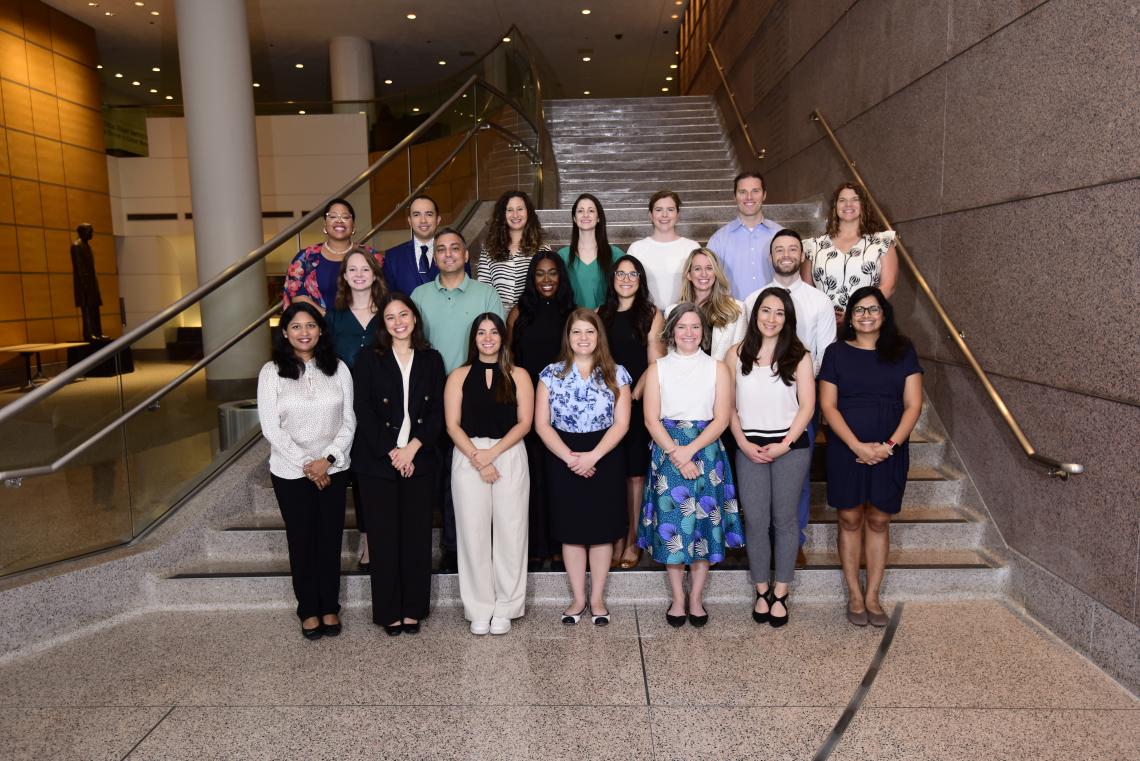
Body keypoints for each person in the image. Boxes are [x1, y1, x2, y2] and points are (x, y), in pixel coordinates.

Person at [818, 286, 923, 628]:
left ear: (884, 314)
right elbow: (828, 407)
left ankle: (874, 595)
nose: (866, 315)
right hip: (846, 449)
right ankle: (853, 593)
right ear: (849, 316)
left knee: (879, 519)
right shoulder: (836, 353)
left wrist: (888, 445)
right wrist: (857, 447)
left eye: (873, 309)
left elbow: (913, 405)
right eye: (859, 310)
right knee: (849, 518)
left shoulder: (903, 351)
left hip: (890, 449)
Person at [638, 303, 743, 627]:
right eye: (682, 326)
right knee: (674, 525)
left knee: (703, 527)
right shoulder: (658, 368)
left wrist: (690, 450)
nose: (688, 333)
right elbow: (650, 418)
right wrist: (675, 452)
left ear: (703, 332)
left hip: (706, 452)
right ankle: (678, 598)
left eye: (695, 327)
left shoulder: (718, 368)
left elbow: (722, 417)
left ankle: (696, 598)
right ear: (671, 331)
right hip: (668, 453)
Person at [256, 302, 356, 640]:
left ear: (320, 330)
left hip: (333, 467)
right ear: (285, 332)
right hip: (290, 472)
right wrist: (307, 464)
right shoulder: (271, 372)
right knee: (302, 541)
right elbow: (271, 427)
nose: (304, 332)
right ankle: (308, 609)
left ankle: (329, 606)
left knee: (329, 540)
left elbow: (349, 420)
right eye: (296, 326)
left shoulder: (338, 368)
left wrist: (326, 460)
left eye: (310, 325)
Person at [412, 228, 505, 572]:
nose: (448, 254)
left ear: (467, 256)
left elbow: (499, 340)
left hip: (477, 396)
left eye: (455, 248)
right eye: (441, 250)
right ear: (434, 257)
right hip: (432, 397)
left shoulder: (485, 292)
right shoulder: (420, 295)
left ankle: (474, 545)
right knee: (443, 476)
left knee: (471, 471)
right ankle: (450, 547)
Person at [352, 293, 445, 636]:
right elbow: (363, 410)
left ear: (414, 318)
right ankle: (389, 611)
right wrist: (393, 451)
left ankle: (413, 610)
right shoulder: (367, 359)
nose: (398, 322)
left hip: (419, 461)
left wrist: (413, 449)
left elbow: (437, 412)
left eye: (403, 314)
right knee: (384, 538)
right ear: (383, 324)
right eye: (390, 317)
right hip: (377, 462)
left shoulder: (431, 359)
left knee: (417, 538)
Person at [745, 229, 837, 564]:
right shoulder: (753, 299)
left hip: (802, 400)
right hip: (756, 405)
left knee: (795, 478)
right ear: (770, 257)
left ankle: (792, 538)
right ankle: (760, 539)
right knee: (755, 480)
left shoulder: (818, 300)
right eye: (779, 249)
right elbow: (745, 349)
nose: (785, 254)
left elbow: (826, 355)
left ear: (802, 256)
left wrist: (808, 394)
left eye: (792, 249)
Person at [535, 309, 631, 626]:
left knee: (602, 531)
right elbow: (542, 425)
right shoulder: (550, 374)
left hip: (605, 454)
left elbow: (621, 424)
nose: (583, 338)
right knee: (572, 531)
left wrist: (592, 457)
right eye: (576, 332)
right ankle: (577, 598)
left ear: (598, 335)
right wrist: (571, 458)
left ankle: (597, 598)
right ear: (568, 337)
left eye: (589, 332)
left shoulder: (617, 374)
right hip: (563, 455)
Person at [726, 288, 815, 627]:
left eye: (779, 313)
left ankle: (781, 591)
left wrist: (786, 444)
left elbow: (807, 405)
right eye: (766, 311)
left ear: (787, 318)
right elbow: (728, 406)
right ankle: (761, 589)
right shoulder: (736, 354)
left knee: (785, 520)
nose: (771, 318)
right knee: (756, 521)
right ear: (756, 314)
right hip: (749, 446)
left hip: (789, 447)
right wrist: (743, 443)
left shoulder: (799, 355)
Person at [444, 313, 534, 635]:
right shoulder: (458, 376)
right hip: (469, 455)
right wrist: (478, 458)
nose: (488, 338)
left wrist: (492, 456)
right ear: (474, 338)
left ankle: (507, 605)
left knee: (511, 529)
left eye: (494, 332)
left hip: (508, 453)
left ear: (502, 337)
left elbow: (525, 422)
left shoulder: (518, 375)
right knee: (473, 532)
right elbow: (452, 425)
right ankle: (479, 606)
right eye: (481, 332)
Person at [508, 253, 576, 570]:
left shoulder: (573, 315)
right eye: (539, 274)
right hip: (527, 409)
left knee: (560, 480)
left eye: (552, 273)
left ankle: (563, 546)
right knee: (531, 480)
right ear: (531, 278)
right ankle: (535, 547)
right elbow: (510, 363)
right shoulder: (519, 314)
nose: (546, 280)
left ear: (561, 277)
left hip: (565, 413)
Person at [598, 255, 665, 570]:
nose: (626, 279)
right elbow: (594, 359)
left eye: (632, 273)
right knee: (613, 472)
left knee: (636, 474)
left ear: (641, 279)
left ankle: (634, 538)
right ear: (612, 279)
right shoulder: (601, 314)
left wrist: (632, 394)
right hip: (604, 404)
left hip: (637, 401)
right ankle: (615, 535)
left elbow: (655, 363)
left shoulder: (652, 314)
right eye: (620, 273)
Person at [323, 248, 388, 572]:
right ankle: (364, 536)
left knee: (373, 476)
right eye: (353, 269)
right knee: (355, 476)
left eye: (365, 269)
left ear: (375, 274)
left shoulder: (388, 312)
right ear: (344, 277)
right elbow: (324, 361)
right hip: (344, 407)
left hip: (382, 408)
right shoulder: (333, 316)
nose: (360, 274)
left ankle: (374, 538)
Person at [801, 182, 899, 324]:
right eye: (842, 200)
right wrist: (824, 314)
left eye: (855, 199)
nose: (848, 204)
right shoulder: (814, 245)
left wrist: (855, 313)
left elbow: (888, 286)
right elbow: (807, 288)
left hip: (865, 323)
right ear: (835, 206)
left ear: (863, 205)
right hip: (823, 323)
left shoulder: (882, 243)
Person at [283, 198, 383, 311]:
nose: (339, 221)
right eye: (333, 216)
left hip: (364, 324)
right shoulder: (306, 257)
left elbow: (383, 292)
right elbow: (294, 293)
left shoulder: (371, 256)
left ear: (353, 226)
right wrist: (327, 317)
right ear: (325, 224)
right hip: (320, 324)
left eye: (345, 217)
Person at [706, 171, 783, 300]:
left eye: (755, 191)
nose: (749, 197)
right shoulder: (718, 240)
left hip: (773, 315)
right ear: (734, 196)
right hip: (733, 315)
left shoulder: (780, 235)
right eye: (743, 192)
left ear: (764, 195)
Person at [665, 247, 746, 361]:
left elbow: (739, 356)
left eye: (709, 268)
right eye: (697, 269)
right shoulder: (671, 311)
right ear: (689, 275)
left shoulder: (737, 309)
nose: (704, 274)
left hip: (721, 377)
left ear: (716, 273)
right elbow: (671, 355)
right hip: (684, 376)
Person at [382, 194, 469, 297]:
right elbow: (390, 299)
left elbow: (466, 292)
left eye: (429, 214)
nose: (423, 220)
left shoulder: (456, 254)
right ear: (410, 221)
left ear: (438, 219)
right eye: (416, 214)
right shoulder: (393, 257)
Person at [477, 190, 548, 312]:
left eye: (520, 209)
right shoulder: (489, 250)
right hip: (498, 320)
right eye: (509, 210)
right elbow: (483, 290)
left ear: (528, 212)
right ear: (502, 214)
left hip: (532, 318)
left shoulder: (542, 249)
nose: (515, 215)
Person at [627, 190, 699, 308]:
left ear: (678, 215)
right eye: (658, 210)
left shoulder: (692, 247)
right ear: (650, 215)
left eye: (670, 210)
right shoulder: (636, 249)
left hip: (683, 317)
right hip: (647, 317)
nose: (664, 215)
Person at [556, 193, 623, 309]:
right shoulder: (562, 256)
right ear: (574, 218)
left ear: (598, 218)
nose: (585, 215)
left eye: (591, 211)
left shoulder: (616, 255)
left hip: (607, 321)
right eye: (580, 211)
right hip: (572, 322)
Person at [70, 223, 103, 340]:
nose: (92, 234)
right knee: (87, 310)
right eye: (90, 231)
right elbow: (78, 268)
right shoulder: (76, 246)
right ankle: (89, 334)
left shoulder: (87, 246)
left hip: (92, 283)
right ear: (83, 232)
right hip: (84, 284)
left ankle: (98, 332)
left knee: (95, 308)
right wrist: (84, 284)